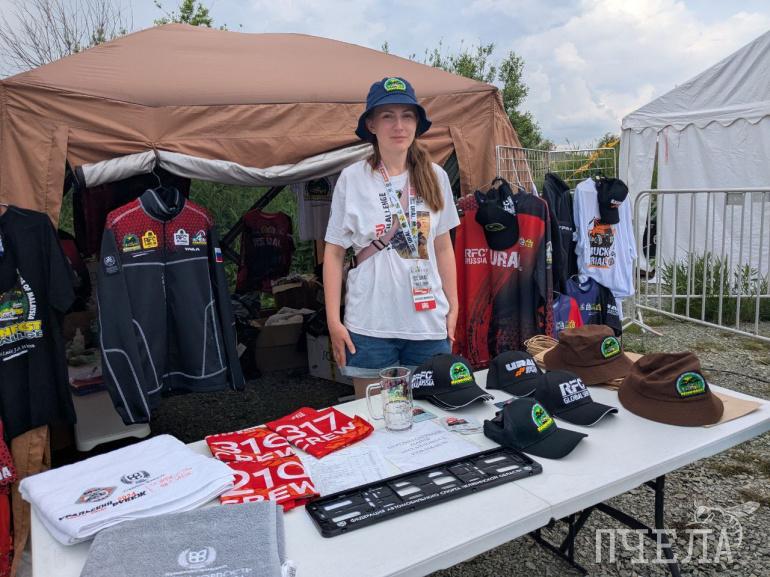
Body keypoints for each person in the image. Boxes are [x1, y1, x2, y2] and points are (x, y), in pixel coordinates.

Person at [323, 76, 460, 395]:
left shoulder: (436, 176)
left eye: (407, 116)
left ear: (417, 123)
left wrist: (454, 307)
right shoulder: (352, 178)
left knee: (432, 417)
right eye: (388, 116)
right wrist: (333, 320)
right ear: (371, 124)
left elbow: (443, 247)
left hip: (428, 325)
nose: (399, 125)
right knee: (372, 415)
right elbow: (334, 252)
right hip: (370, 325)